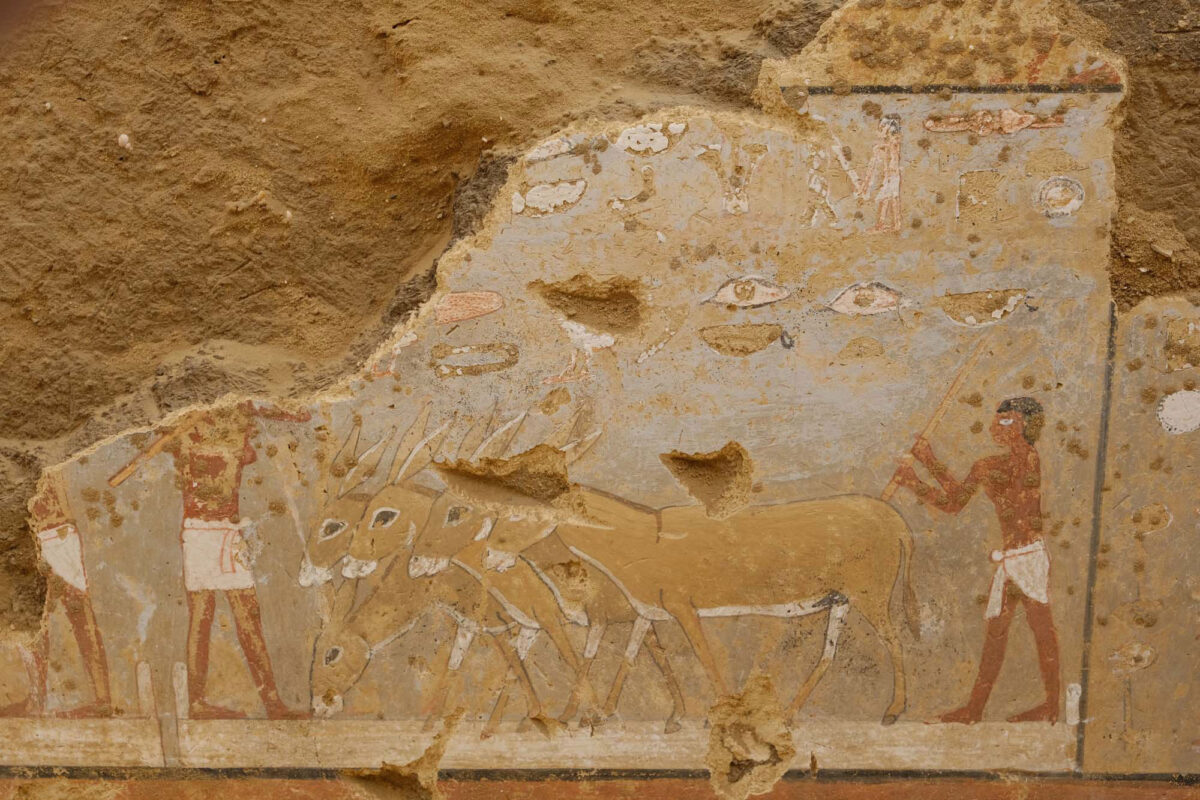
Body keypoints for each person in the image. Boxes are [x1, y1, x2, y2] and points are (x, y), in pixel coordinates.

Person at [117, 399, 311, 719]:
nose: (249, 431)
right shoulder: (187, 425)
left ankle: (271, 703)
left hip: (226, 531)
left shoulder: (235, 413)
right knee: (204, 615)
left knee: (242, 616)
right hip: (202, 530)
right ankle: (200, 702)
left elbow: (301, 412)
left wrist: (248, 405)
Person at [895, 397, 1061, 724]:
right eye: (998, 420)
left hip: (1028, 558)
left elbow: (964, 491)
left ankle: (1051, 707)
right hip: (1011, 560)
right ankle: (975, 710)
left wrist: (920, 473)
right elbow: (955, 502)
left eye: (1008, 421)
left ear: (1026, 426)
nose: (996, 426)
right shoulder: (990, 465)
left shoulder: (1026, 460)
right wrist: (923, 468)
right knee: (997, 635)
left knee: (1041, 632)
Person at [1, 471, 112, 717]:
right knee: (30, 618)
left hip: (54, 530)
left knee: (76, 612)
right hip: (31, 534)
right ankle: (37, 702)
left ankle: (102, 700)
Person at [856, 114, 902, 234]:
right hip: (889, 175)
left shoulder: (894, 141)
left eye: (882, 127)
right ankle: (885, 224)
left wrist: (883, 135)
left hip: (892, 175)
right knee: (887, 199)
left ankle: (893, 224)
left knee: (891, 199)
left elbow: (891, 151)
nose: (881, 130)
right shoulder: (889, 142)